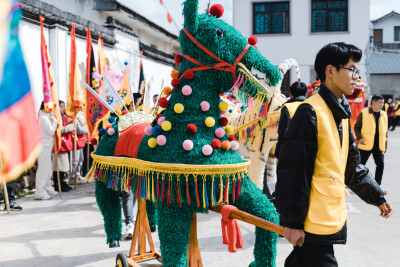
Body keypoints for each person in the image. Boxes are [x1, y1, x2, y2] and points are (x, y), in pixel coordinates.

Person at [275, 43, 392, 267]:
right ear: (330, 71)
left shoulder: (341, 114)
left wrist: (376, 195)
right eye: (352, 69)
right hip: (311, 219)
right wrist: (292, 222)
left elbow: (351, 167)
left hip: (326, 215)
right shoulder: (309, 112)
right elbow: (293, 171)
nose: (356, 77)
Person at [354, 95, 388, 187]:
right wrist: (360, 138)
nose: (382, 104)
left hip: (379, 145)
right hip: (366, 144)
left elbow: (385, 131)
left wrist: (385, 145)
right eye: (380, 102)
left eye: (383, 102)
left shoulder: (384, 114)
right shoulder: (364, 113)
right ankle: (357, 183)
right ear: (373, 102)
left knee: (380, 165)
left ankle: (377, 185)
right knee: (360, 165)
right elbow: (357, 127)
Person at [275, 81, 308, 159]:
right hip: (308, 151)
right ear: (306, 94)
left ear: (290, 94)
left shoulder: (287, 108)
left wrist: (278, 153)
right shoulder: (313, 106)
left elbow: (282, 132)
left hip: (290, 151)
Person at [35, 101, 59, 200]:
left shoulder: (46, 116)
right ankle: (39, 191)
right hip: (43, 145)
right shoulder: (43, 117)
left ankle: (47, 187)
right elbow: (51, 131)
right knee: (43, 168)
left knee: (47, 167)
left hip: (47, 144)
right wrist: (55, 122)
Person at [52, 100, 75, 192]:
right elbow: (59, 129)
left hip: (65, 143)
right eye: (61, 106)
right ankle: (58, 184)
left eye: (63, 106)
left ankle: (62, 182)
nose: (63, 108)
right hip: (59, 143)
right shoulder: (56, 117)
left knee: (63, 166)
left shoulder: (64, 116)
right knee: (58, 166)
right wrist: (71, 127)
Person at [69, 110, 88, 185]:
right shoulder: (72, 117)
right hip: (75, 140)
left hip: (81, 140)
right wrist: (86, 129)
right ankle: (73, 176)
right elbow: (79, 130)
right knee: (75, 160)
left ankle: (78, 173)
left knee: (81, 159)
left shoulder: (81, 115)